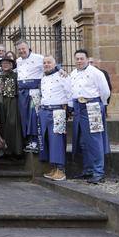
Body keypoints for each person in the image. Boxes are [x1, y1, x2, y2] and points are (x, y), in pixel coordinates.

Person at [70, 49, 111, 184]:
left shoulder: (96, 73)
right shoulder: (73, 74)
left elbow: (105, 91)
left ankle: (98, 172)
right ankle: (88, 171)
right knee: (82, 140)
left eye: (82, 58)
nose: (79, 61)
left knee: (95, 140)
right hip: (78, 107)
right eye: (77, 59)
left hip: (92, 106)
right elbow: (71, 91)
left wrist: (101, 106)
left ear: (87, 59)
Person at [39, 56, 72, 181]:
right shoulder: (43, 78)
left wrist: (69, 110)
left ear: (55, 64)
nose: (46, 64)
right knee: (47, 140)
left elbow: (69, 93)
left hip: (57, 111)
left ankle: (61, 170)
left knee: (57, 140)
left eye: (49, 62)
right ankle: (54, 167)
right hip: (44, 110)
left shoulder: (62, 76)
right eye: (44, 63)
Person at [0, 56, 23, 158]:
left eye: (7, 63)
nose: (5, 65)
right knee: (1, 125)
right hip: (0, 103)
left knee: (12, 125)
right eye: (3, 63)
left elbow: (19, 89)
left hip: (12, 102)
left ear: (11, 65)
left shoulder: (16, 75)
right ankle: (3, 151)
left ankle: (15, 150)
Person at [16, 41, 43, 153]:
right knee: (25, 117)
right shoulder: (18, 61)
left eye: (23, 48)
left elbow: (51, 65)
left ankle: (36, 141)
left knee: (34, 116)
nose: (22, 51)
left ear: (28, 48)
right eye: (19, 50)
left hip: (34, 92)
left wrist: (60, 70)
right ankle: (29, 141)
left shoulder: (39, 58)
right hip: (22, 92)